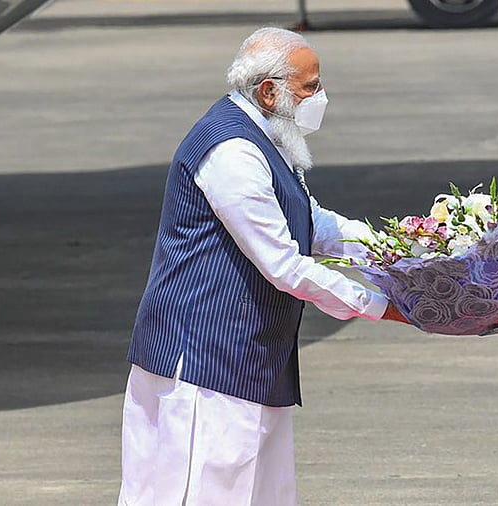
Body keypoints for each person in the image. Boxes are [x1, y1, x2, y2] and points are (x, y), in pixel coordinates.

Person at [119, 27, 407, 506]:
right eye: (309, 87)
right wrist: (383, 306)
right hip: (205, 361)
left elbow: (313, 222)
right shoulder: (231, 149)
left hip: (252, 355)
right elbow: (284, 265)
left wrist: (407, 250)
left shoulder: (268, 136)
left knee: (259, 493)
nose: (320, 98)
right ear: (269, 91)